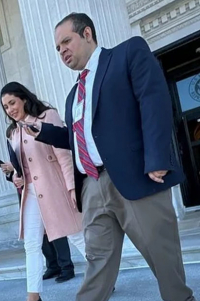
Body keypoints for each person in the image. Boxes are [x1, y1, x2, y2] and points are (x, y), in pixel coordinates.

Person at [28, 12, 196, 301]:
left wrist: (157, 156)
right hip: (92, 185)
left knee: (161, 253)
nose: (62, 51)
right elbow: (76, 138)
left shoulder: (127, 54)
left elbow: (153, 99)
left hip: (135, 174)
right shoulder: (73, 96)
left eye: (66, 41)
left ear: (88, 34)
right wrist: (42, 131)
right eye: (57, 48)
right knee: (98, 260)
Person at [0, 82, 86, 301]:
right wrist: (16, 177)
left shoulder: (47, 116)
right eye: (6, 107)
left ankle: (103, 276)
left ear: (24, 99)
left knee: (76, 235)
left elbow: (64, 155)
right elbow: (23, 167)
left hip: (55, 187)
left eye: (12, 103)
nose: (10, 109)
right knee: (31, 244)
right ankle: (34, 296)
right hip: (30, 194)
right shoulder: (13, 132)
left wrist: (72, 187)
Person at [0, 161, 76, 283]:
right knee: (39, 233)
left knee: (56, 229)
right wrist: (11, 172)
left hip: (43, 191)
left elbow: (35, 164)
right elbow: (19, 172)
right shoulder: (13, 145)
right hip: (27, 196)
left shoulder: (28, 141)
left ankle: (66, 267)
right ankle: (52, 266)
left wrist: (14, 167)